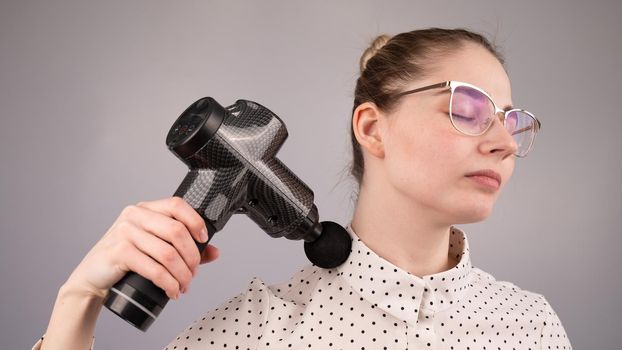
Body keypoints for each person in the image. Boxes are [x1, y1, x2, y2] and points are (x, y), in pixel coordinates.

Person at [34, 28, 572, 349]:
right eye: (469, 107)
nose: (503, 140)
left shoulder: (531, 326)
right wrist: (76, 301)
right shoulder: (259, 331)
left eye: (512, 120)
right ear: (372, 127)